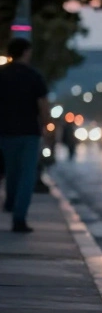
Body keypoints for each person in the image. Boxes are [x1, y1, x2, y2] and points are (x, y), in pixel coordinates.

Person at [0, 38, 50, 233]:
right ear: (26, 52)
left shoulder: (2, 75)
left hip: (4, 132)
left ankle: (11, 202)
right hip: (29, 133)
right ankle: (19, 218)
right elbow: (43, 107)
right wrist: (48, 130)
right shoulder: (34, 76)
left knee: (11, 172)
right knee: (27, 175)